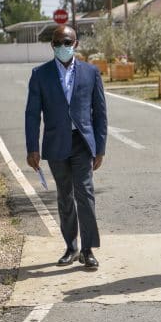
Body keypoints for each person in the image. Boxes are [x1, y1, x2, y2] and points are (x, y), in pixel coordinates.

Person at [25, 25, 107, 269]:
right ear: (52, 46)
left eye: (68, 42)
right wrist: (32, 148)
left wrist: (100, 147)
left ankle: (88, 249)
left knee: (85, 192)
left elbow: (100, 113)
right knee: (65, 196)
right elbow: (32, 114)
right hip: (56, 143)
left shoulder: (90, 73)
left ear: (76, 44)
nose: (63, 47)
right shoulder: (40, 74)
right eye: (58, 43)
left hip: (82, 143)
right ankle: (71, 246)